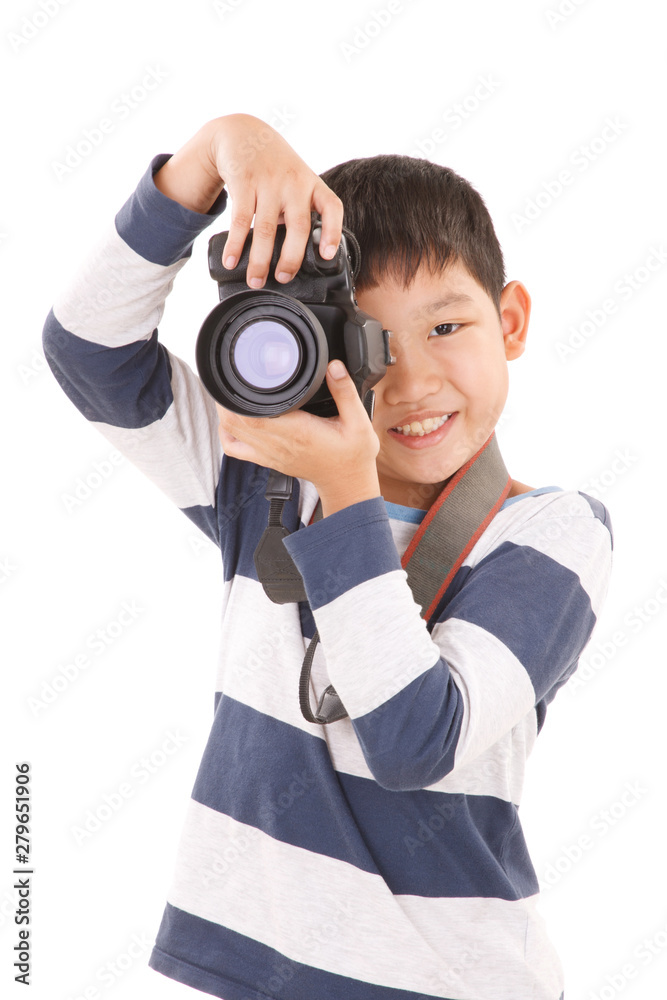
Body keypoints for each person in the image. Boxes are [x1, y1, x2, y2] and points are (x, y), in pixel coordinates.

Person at [42, 113, 613, 1000]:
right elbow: (87, 350)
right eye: (366, 344)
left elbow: (415, 739)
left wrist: (346, 490)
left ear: (509, 321)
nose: (412, 381)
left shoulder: (549, 533)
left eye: (447, 327)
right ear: (307, 354)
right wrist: (215, 152)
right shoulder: (264, 485)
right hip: (248, 970)